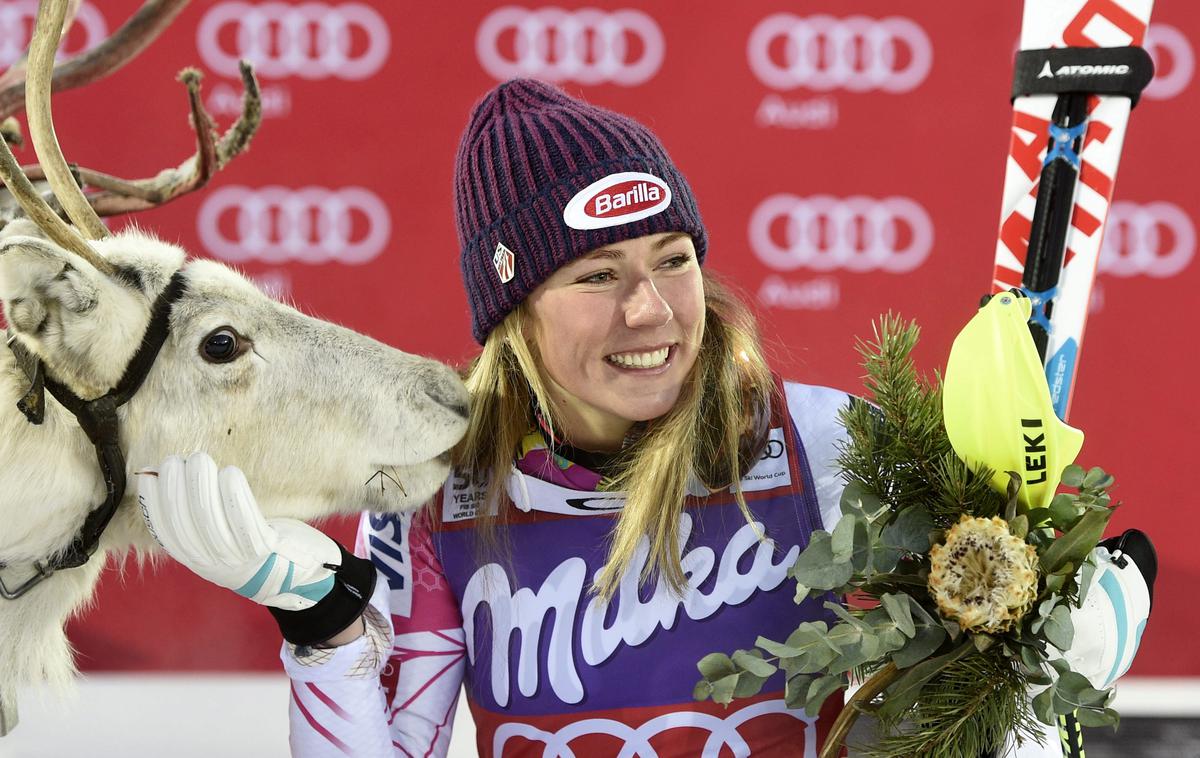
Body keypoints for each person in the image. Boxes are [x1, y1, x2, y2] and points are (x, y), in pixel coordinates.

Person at [137, 79, 1150, 758]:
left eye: (674, 259)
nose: (653, 310)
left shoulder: (826, 445)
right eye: (597, 275)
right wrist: (324, 626)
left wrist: (1056, 644)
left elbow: (967, 698)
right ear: (512, 314)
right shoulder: (445, 493)